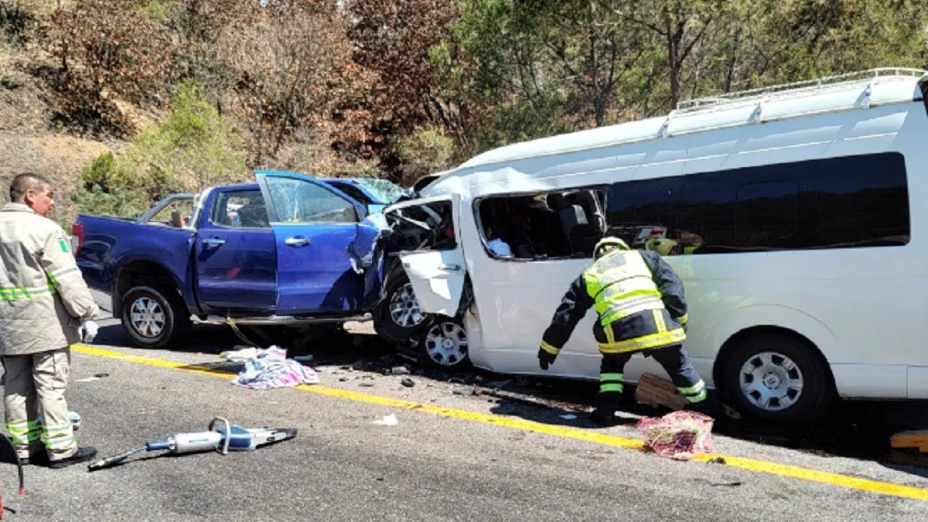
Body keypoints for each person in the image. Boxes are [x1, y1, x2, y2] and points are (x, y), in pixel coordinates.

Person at [536, 237, 720, 425]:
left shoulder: (588, 275)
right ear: (624, 249)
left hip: (616, 335)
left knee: (612, 369)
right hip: (657, 326)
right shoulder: (645, 257)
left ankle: (605, 412)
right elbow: (673, 288)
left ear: (597, 257)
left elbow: (566, 316)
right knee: (679, 366)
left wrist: (548, 351)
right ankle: (707, 408)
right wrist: (679, 320)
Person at [0, 173, 99, 467]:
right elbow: (67, 278)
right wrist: (87, 313)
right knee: (50, 387)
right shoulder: (44, 229)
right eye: (49, 195)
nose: (53, 202)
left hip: (7, 327)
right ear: (30, 195)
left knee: (16, 387)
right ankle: (61, 450)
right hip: (45, 326)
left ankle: (24, 449)